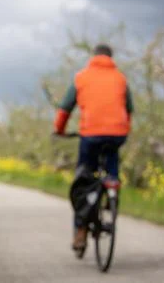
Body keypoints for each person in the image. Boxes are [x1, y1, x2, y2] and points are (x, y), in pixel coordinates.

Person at [53, 44, 134, 250]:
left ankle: (80, 230)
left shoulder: (82, 77)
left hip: (90, 135)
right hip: (117, 134)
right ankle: (112, 191)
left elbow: (64, 110)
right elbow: (129, 110)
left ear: (93, 56)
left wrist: (59, 130)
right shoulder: (121, 79)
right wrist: (123, 130)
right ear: (111, 57)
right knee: (111, 166)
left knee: (83, 180)